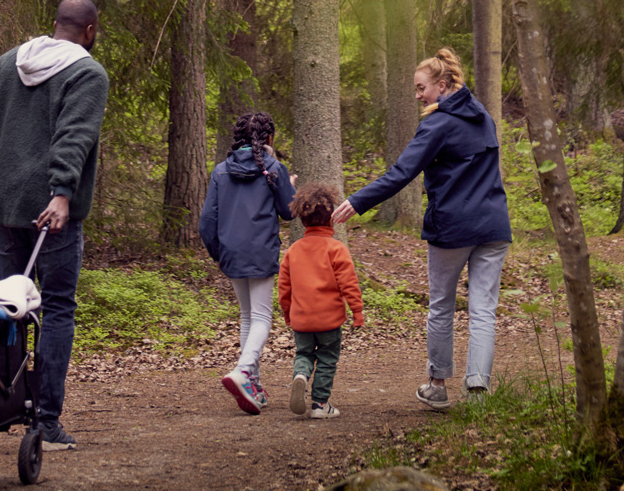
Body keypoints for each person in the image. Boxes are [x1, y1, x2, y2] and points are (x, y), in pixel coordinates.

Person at [0, 0, 109, 449]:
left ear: (54, 25)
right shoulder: (87, 72)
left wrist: (7, 165)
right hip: (52, 209)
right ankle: (45, 422)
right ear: (89, 31)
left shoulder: (10, 62)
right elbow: (75, 137)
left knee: (11, 306)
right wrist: (61, 193)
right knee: (57, 307)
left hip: (5, 203)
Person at [331, 47, 511, 409]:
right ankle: (477, 390)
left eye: (421, 88)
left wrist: (358, 201)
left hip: (453, 229)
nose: (417, 95)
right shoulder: (485, 118)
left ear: (442, 85)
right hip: (494, 226)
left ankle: (438, 386)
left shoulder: (438, 123)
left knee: (442, 306)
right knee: (483, 310)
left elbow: (402, 173)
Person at [199, 112, 297, 415]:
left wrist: (220, 254)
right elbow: (289, 211)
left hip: (231, 253)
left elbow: (206, 222)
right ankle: (243, 371)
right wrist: (289, 184)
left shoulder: (220, 171)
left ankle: (252, 384)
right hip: (261, 252)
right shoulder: (273, 168)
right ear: (269, 139)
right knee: (261, 317)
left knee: (246, 317)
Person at [279, 183, 364, 419]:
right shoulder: (336, 249)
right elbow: (349, 284)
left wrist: (288, 313)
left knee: (304, 353)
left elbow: (284, 288)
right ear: (331, 220)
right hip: (329, 320)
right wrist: (357, 312)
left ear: (303, 221)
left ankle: (301, 375)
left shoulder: (293, 251)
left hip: (302, 320)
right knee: (327, 357)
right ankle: (319, 404)